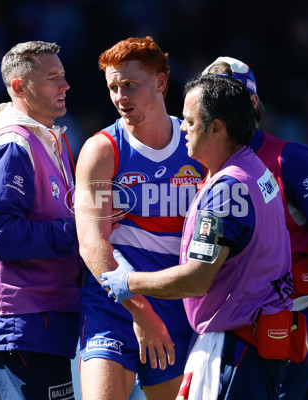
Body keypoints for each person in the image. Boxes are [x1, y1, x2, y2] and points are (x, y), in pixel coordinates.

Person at [100, 74, 296, 399]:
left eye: (190, 121)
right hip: (255, 342)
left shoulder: (227, 190)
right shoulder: (254, 171)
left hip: (234, 347)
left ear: (217, 128)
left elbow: (196, 279)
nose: (182, 128)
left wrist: (129, 282)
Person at [202, 56, 308, 399]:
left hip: (296, 320)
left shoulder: (290, 159)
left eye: (228, 96)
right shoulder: (200, 166)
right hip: (234, 329)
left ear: (252, 103)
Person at [74, 36, 204, 400]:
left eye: (130, 84)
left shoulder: (196, 146)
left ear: (161, 82)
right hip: (115, 305)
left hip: (178, 307)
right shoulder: (102, 149)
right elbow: (91, 243)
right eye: (113, 87)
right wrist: (141, 312)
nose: (120, 96)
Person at [0, 41, 81, 399]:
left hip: (40, 322)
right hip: (20, 322)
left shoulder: (49, 142)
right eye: (52, 78)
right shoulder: (13, 145)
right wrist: (79, 233)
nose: (64, 86)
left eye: (63, 76)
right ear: (19, 86)